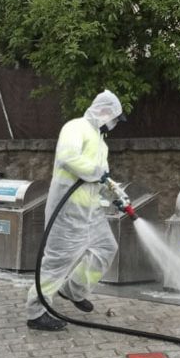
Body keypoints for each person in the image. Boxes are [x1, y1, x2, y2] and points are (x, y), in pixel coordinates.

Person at [26, 89, 127, 331]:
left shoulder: (101, 143)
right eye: (114, 118)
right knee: (57, 262)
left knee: (106, 248)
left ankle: (73, 289)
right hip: (67, 212)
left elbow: (101, 178)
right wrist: (97, 173)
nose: (114, 124)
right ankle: (36, 312)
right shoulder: (75, 128)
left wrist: (117, 195)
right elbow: (68, 157)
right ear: (103, 112)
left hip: (91, 212)